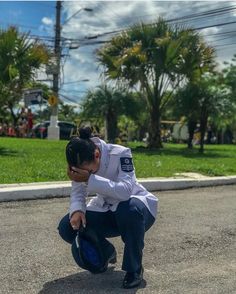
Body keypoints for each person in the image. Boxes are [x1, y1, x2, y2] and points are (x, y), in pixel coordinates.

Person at [58, 127, 158, 289]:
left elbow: (125, 191)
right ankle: (106, 252)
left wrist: (90, 178)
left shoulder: (121, 153)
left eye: (88, 171)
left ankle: (134, 269)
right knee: (66, 227)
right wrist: (77, 210)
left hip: (137, 209)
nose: (84, 174)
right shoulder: (80, 160)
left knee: (129, 210)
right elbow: (78, 192)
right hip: (108, 210)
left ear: (97, 155)